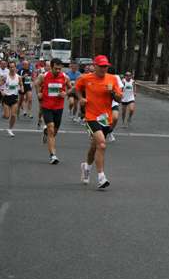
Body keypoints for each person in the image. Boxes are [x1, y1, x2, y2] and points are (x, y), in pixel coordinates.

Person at [74, 55, 123, 189]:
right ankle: (101, 177)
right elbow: (77, 88)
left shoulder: (112, 79)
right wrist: (81, 99)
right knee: (101, 144)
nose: (103, 68)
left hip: (105, 118)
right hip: (91, 116)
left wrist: (111, 91)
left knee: (95, 146)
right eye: (101, 66)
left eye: (105, 66)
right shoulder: (86, 78)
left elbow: (119, 99)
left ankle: (86, 167)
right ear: (94, 66)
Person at [35, 58, 72, 164]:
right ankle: (52, 155)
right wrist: (39, 93)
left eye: (59, 69)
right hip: (47, 106)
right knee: (51, 128)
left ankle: (46, 133)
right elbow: (37, 84)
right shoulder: (44, 76)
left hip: (58, 107)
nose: (57, 71)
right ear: (51, 67)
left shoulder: (65, 77)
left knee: (54, 131)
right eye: (56, 69)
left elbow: (70, 88)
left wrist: (66, 93)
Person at [0, 61, 24, 137]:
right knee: (7, 116)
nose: (12, 68)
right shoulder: (5, 77)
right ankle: (4, 113)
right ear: (8, 68)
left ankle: (10, 130)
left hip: (14, 97)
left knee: (13, 114)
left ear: (16, 68)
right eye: (11, 67)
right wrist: (2, 92)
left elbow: (21, 85)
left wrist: (22, 88)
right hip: (6, 97)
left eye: (13, 67)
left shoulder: (18, 77)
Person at [105, 66, 123, 143]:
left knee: (115, 118)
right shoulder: (103, 77)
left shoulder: (116, 78)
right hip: (104, 102)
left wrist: (115, 93)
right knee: (104, 119)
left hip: (114, 101)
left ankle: (110, 131)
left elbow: (120, 89)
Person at [36, 60, 51, 129]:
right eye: (48, 66)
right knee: (41, 110)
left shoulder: (53, 75)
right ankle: (39, 119)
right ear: (44, 67)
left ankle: (48, 123)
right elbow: (37, 85)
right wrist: (39, 93)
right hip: (43, 93)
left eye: (50, 66)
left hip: (50, 94)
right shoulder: (42, 75)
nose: (49, 67)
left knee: (49, 109)